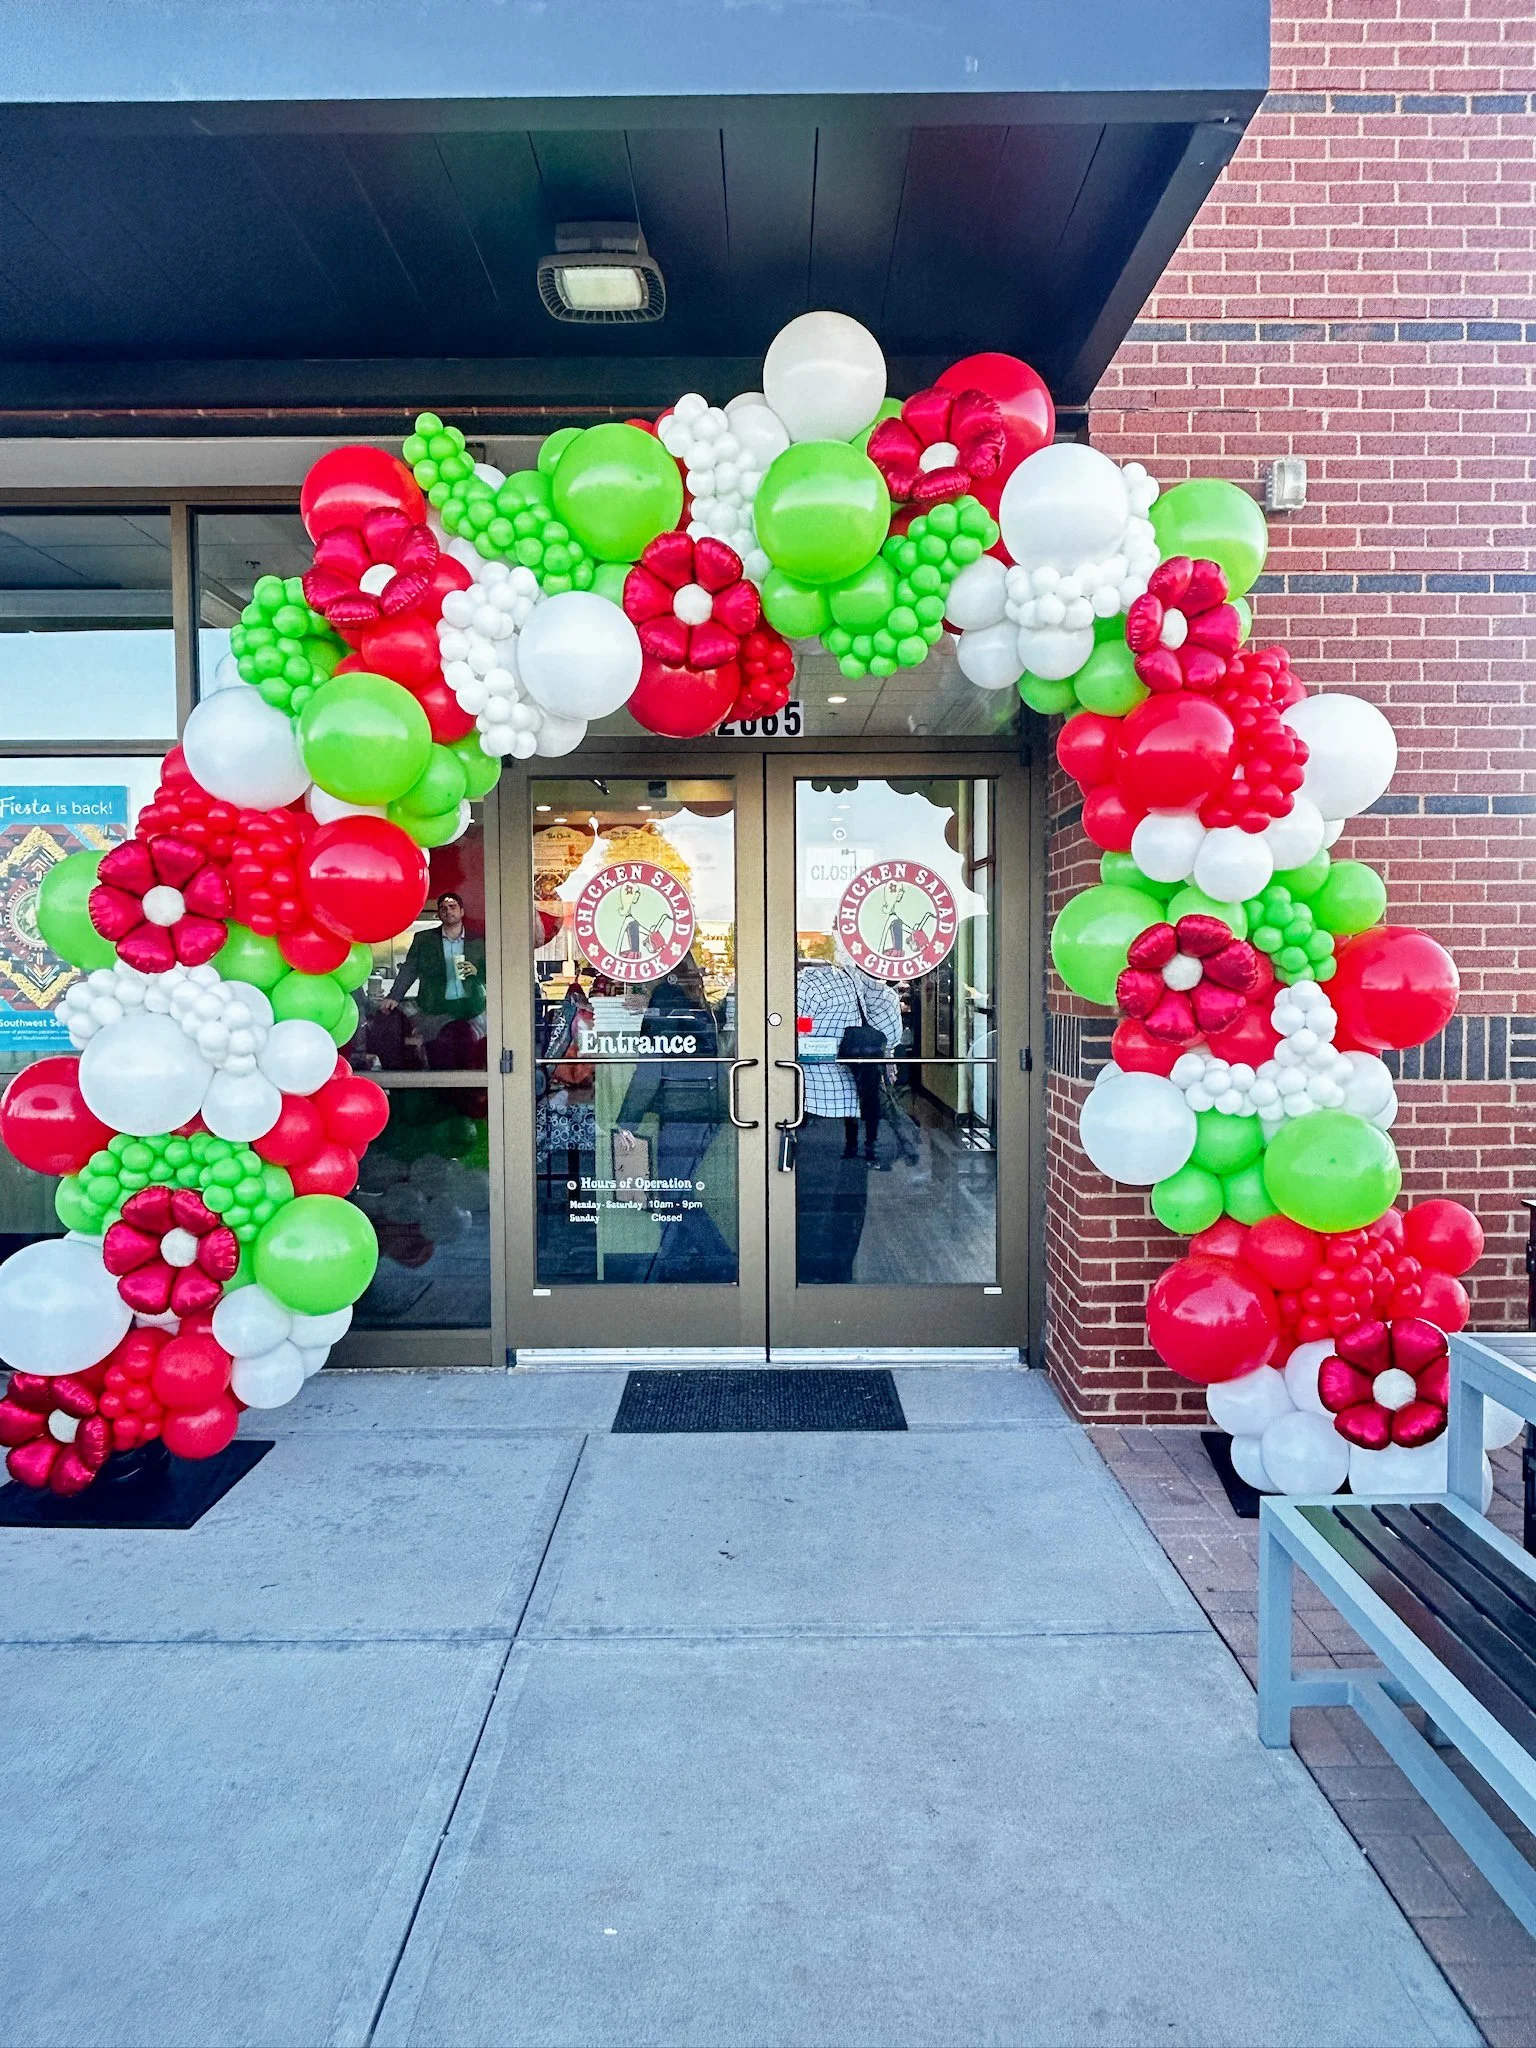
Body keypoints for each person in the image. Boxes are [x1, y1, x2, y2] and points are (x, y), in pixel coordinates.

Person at [614, 951, 734, 1283]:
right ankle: (674, 1260)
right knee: (677, 1188)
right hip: (705, 1101)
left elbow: (652, 1068)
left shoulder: (666, 997)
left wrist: (626, 1121)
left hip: (685, 1106)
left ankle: (721, 1258)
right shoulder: (689, 995)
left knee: (671, 1190)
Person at [793, 939, 902, 1284]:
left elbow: (788, 1034)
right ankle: (839, 1278)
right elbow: (893, 1036)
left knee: (813, 1204)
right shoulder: (874, 990)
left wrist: (812, 1037)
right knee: (850, 1204)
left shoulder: (809, 983)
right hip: (858, 1107)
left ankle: (806, 1281)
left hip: (815, 1110)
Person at [378, 893, 486, 1044]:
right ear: (439, 914)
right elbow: (409, 969)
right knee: (437, 1053)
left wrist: (477, 972)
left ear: (462, 911)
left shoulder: (478, 941)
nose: (448, 911)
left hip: (470, 1008)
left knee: (469, 1055)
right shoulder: (424, 939)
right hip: (435, 1008)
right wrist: (394, 996)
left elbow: (492, 971)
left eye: (452, 907)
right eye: (443, 908)